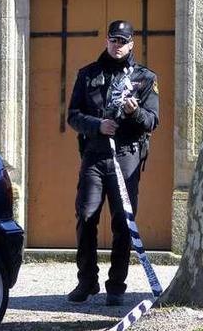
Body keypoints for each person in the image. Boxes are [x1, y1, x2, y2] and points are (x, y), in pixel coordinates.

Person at [65, 20, 159, 306]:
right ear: (107, 41)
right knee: (86, 214)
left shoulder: (145, 78)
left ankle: (116, 285)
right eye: (113, 40)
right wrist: (96, 125)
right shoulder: (88, 74)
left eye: (123, 40)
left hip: (126, 156)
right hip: (94, 156)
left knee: (122, 221)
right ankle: (86, 281)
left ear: (132, 44)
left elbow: (153, 121)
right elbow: (72, 115)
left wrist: (135, 113)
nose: (117, 45)